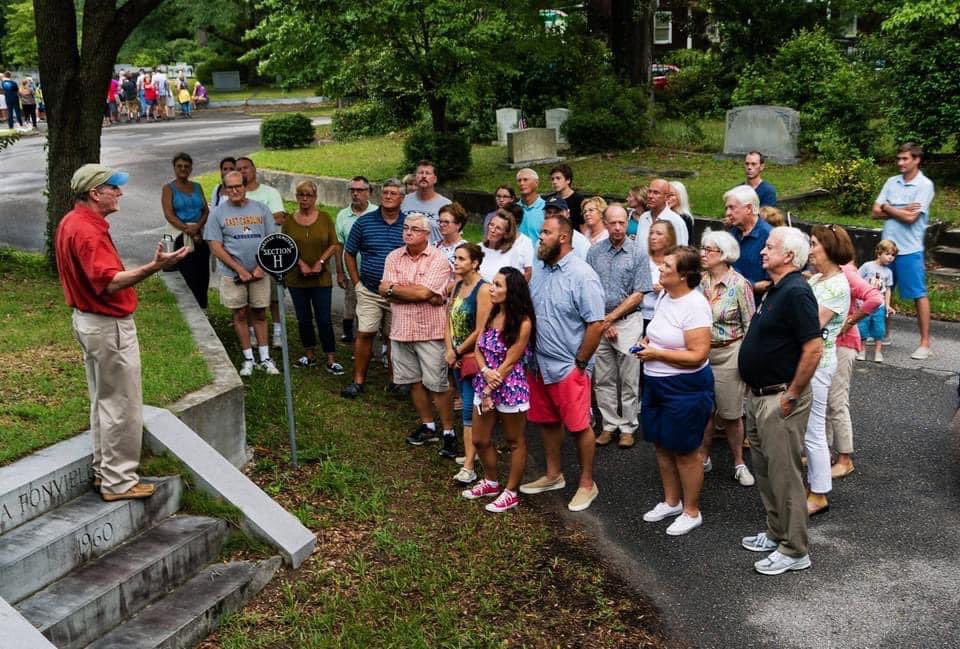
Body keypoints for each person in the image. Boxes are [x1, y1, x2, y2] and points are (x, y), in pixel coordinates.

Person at [55, 163, 188, 501]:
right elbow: (109, 282)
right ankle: (118, 482)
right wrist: (155, 267)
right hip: (107, 326)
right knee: (122, 405)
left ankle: (105, 473)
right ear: (94, 192)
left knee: (104, 400)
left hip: (89, 321)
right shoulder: (87, 231)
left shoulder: (72, 221)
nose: (120, 193)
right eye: (113, 187)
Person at [739, 226, 822, 576]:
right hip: (759, 396)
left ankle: (795, 549)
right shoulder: (776, 289)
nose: (762, 251)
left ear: (789, 255)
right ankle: (776, 533)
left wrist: (791, 394)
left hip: (780, 398)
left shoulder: (797, 292)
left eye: (769, 247)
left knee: (785, 475)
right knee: (765, 470)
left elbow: (813, 347)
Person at [521, 214, 605, 512]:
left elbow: (596, 324)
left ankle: (586, 483)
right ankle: (553, 474)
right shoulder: (541, 270)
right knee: (546, 421)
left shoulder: (582, 275)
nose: (539, 237)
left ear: (563, 237)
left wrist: (580, 363)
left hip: (568, 366)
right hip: (538, 364)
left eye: (545, 232)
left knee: (580, 426)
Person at [636, 245, 713, 536]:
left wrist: (657, 355)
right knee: (661, 443)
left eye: (668, 266)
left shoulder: (695, 305)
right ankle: (671, 501)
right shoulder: (665, 296)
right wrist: (647, 344)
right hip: (656, 382)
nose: (661, 268)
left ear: (683, 276)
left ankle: (691, 511)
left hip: (685, 387)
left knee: (686, 450)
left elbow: (698, 354)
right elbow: (658, 334)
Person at [380, 213, 456, 455]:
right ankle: (428, 425)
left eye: (414, 229)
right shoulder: (394, 257)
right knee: (413, 381)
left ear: (426, 234)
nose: (408, 232)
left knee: (438, 384)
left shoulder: (439, 259)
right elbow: (384, 289)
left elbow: (424, 294)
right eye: (406, 228)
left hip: (430, 330)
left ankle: (448, 431)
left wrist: (397, 290)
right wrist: (414, 292)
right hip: (402, 329)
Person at [462, 267, 535, 512]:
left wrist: (493, 382)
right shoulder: (491, 313)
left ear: (511, 291)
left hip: (509, 386)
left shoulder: (523, 322)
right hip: (485, 382)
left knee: (514, 440)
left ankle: (511, 492)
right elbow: (478, 348)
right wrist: (484, 374)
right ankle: (491, 481)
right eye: (492, 283)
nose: (491, 288)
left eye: (498, 285)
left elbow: (512, 360)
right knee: (480, 439)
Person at [587, 203, 652, 448]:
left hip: (628, 321)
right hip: (600, 322)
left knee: (629, 377)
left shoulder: (637, 253)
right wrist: (603, 321)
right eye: (612, 222)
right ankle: (609, 425)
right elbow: (589, 289)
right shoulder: (594, 253)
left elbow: (639, 293)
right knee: (603, 378)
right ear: (604, 223)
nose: (617, 227)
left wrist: (611, 318)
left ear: (628, 222)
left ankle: (628, 427)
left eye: (621, 222)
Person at [203, 170, 279, 376]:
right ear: (225, 189)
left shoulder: (261, 209)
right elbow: (215, 246)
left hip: (259, 272)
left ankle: (265, 357)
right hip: (232, 274)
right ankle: (248, 358)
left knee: (260, 313)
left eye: (239, 186)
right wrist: (239, 269)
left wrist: (261, 267)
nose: (235, 190)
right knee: (240, 314)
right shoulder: (218, 213)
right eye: (230, 187)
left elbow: (272, 240)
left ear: (245, 186)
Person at [697, 229, 756, 486]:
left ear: (723, 255)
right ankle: (702, 456)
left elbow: (751, 324)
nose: (702, 254)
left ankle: (739, 463)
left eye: (708, 250)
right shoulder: (699, 281)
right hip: (700, 353)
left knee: (731, 414)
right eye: (703, 249)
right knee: (703, 410)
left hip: (730, 352)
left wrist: (746, 360)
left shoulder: (740, 285)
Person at [802, 225, 852, 516]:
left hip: (818, 363)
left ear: (829, 249)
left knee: (814, 431)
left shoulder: (837, 286)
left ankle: (819, 494)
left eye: (813, 244)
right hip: (808, 360)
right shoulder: (820, 278)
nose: (809, 250)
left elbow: (810, 325)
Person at [342, 180, 407, 398]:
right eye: (385, 193)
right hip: (369, 290)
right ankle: (358, 381)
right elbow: (349, 252)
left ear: (402, 198)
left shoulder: (408, 225)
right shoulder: (364, 222)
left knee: (393, 338)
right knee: (365, 333)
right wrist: (356, 282)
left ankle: (395, 381)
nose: (388, 196)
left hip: (397, 294)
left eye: (394, 193)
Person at [872, 142, 935, 360]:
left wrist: (889, 207)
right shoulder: (891, 182)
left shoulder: (924, 185)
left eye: (905, 159)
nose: (900, 162)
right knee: (881, 291)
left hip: (909, 250)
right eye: (898, 158)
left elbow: (911, 218)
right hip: (886, 249)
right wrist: (898, 209)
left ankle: (925, 343)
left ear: (916, 160)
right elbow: (874, 211)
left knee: (918, 294)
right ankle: (883, 334)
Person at [826, 255, 883, 480]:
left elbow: (875, 298)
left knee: (837, 401)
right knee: (826, 401)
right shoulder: (827, 273)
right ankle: (825, 451)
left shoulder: (846, 273)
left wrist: (850, 321)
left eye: (814, 244)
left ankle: (844, 458)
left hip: (844, 343)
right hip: (831, 343)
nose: (810, 250)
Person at [282, 180, 344, 374]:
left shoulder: (325, 218)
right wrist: (300, 263)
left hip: (320, 278)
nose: (305, 199)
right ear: (296, 197)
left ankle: (330, 358)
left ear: (315, 197)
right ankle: (309, 354)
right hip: (297, 278)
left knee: (324, 318)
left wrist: (321, 262)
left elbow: (334, 244)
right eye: (301, 195)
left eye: (309, 195)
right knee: (303, 319)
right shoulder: (289, 221)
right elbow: (285, 247)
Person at [445, 243, 492, 484]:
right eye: (455, 258)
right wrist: (449, 349)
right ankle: (469, 453)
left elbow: (481, 329)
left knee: (468, 410)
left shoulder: (483, 290)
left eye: (462, 259)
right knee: (465, 405)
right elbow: (448, 319)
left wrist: (458, 350)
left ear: (475, 263)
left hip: (474, 358)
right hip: (457, 357)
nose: (457, 262)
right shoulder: (457, 286)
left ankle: (470, 465)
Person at [237, 156, 286, 347]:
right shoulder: (233, 195)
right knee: (248, 298)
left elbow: (279, 217)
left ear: (254, 169)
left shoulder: (270, 192)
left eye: (246, 168)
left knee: (274, 296)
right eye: (238, 169)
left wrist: (246, 220)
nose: (243, 172)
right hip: (244, 255)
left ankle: (277, 332)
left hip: (270, 253)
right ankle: (252, 333)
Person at [160, 152, 210, 308]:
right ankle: (189, 306)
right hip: (180, 235)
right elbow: (169, 214)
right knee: (187, 273)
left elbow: (206, 210)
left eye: (186, 166)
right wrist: (188, 229)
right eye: (179, 166)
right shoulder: (168, 188)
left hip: (200, 233)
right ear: (174, 168)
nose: (183, 169)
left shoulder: (197, 186)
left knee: (202, 272)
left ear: (191, 168)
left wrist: (197, 227)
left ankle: (202, 306)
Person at [335, 176, 378, 344]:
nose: (355, 194)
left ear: (369, 192)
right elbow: (339, 245)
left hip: (373, 271)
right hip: (351, 271)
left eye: (359, 190)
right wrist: (339, 272)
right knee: (350, 303)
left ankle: (369, 339)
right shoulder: (342, 215)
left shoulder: (377, 213)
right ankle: (348, 335)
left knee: (369, 308)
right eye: (352, 190)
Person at [725, 185, 772, 295]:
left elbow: (773, 283)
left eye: (732, 207)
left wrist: (741, 287)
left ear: (749, 208)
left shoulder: (769, 237)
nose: (727, 213)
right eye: (726, 208)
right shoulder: (731, 234)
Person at [857, 240, 897, 362]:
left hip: (879, 305)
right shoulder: (867, 266)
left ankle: (878, 352)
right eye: (887, 254)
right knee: (862, 327)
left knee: (879, 329)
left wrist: (887, 305)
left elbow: (888, 289)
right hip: (864, 303)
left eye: (893, 255)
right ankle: (862, 350)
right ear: (879, 253)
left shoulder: (889, 272)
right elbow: (857, 281)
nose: (890, 257)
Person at [633, 178, 689, 254]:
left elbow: (681, 253)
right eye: (649, 192)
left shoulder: (676, 221)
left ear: (667, 197)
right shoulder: (643, 217)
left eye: (656, 193)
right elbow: (638, 247)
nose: (650, 196)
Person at [401, 160, 451, 242]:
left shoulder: (446, 205)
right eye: (420, 173)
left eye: (428, 173)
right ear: (416, 177)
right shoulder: (403, 201)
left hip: (435, 252)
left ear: (435, 179)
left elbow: (454, 235)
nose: (423, 176)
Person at [479, 209, 533, 282]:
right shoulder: (478, 248)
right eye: (491, 225)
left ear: (506, 234)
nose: (492, 230)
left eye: (498, 228)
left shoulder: (512, 253)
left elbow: (514, 283)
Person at [641, 221, 676, 327]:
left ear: (669, 238)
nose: (653, 237)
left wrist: (665, 290)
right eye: (651, 233)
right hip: (640, 316)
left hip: (666, 318)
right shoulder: (642, 260)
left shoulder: (676, 262)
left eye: (659, 234)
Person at [547, 164, 585, 231]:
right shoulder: (550, 199)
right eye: (552, 179)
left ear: (568, 180)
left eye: (558, 178)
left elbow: (583, 225)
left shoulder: (579, 199)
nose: (554, 182)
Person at [516, 168, 546, 242]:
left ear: (536, 182)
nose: (521, 183)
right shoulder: (513, 209)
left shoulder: (547, 208)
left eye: (525, 180)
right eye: (519, 180)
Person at [435, 202, 469, 268]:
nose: (441, 225)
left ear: (458, 225)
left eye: (446, 222)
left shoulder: (466, 249)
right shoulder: (435, 245)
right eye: (440, 221)